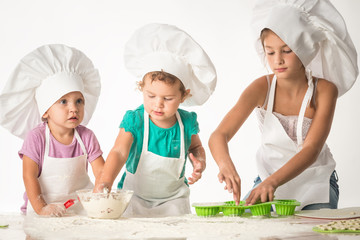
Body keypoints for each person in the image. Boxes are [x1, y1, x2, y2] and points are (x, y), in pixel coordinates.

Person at [208, 0, 358, 210]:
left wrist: (273, 182)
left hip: (316, 183)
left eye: (286, 50)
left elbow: (311, 149)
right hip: (266, 180)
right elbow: (218, 135)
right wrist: (226, 165)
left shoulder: (325, 90)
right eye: (270, 52)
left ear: (305, 48)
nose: (277, 60)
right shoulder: (261, 87)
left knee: (310, 231)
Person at [94, 23, 217, 217]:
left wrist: (200, 162)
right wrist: (105, 180)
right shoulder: (135, 121)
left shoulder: (187, 122)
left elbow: (195, 148)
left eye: (167, 99)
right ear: (141, 88)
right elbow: (118, 152)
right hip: (134, 197)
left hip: (174, 199)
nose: (158, 104)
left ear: (184, 96)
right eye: (151, 96)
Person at [0, 44, 105, 217]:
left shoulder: (86, 136)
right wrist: (42, 208)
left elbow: (101, 172)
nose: (74, 108)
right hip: (42, 209)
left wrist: (100, 193)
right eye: (63, 101)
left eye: (79, 101)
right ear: (45, 110)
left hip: (79, 209)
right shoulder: (36, 138)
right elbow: (29, 176)